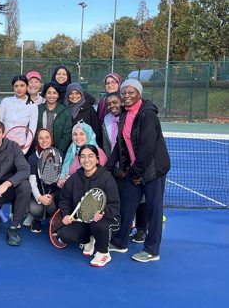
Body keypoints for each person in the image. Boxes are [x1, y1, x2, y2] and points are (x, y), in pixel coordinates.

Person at [108, 79, 170, 263]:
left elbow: (147, 147)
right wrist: (109, 166)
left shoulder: (148, 115)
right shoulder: (126, 114)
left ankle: (152, 250)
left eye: (131, 92)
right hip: (136, 169)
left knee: (154, 209)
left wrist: (136, 173)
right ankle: (120, 242)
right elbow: (122, 145)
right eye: (124, 92)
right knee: (127, 205)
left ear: (139, 94)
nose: (126, 96)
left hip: (153, 170)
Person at [56, 145, 120, 267]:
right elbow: (65, 199)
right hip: (84, 220)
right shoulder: (74, 178)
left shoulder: (107, 178)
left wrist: (103, 212)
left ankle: (103, 252)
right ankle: (89, 238)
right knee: (65, 235)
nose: (86, 160)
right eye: (83, 157)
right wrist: (66, 214)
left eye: (90, 156)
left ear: (97, 159)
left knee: (98, 225)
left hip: (108, 220)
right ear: (79, 159)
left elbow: (114, 205)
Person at [103, 92, 148, 244]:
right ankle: (123, 229)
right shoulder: (107, 120)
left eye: (115, 102)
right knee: (124, 200)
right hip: (117, 168)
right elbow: (110, 146)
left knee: (141, 200)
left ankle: (142, 229)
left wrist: (129, 167)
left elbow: (135, 145)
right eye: (109, 104)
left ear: (122, 102)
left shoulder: (131, 117)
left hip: (135, 167)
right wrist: (112, 167)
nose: (112, 106)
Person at [26, 128, 60, 233]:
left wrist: (52, 196)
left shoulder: (60, 155)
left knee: (52, 206)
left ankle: (54, 218)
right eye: (40, 138)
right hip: (39, 194)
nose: (44, 141)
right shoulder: (32, 159)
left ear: (51, 139)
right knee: (35, 209)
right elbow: (32, 183)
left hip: (53, 194)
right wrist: (40, 198)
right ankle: (37, 219)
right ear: (37, 140)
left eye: (47, 137)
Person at [58, 121, 107, 187]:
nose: (78, 137)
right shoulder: (72, 151)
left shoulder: (97, 153)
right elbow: (64, 173)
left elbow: (94, 178)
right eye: (75, 134)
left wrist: (71, 180)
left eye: (82, 134)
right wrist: (61, 179)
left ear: (88, 134)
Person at [0, 74, 38, 151]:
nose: (19, 88)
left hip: (20, 146)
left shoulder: (33, 106)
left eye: (22, 85)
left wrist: (24, 150)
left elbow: (32, 130)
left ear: (27, 87)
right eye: (16, 86)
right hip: (3, 145)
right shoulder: (5, 101)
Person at [37, 81, 72, 154]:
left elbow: (67, 133)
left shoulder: (64, 111)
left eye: (55, 93)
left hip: (58, 150)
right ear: (45, 94)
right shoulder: (38, 109)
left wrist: (60, 150)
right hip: (40, 149)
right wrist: (38, 147)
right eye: (49, 93)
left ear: (58, 95)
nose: (52, 96)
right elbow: (34, 131)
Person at [64, 83, 102, 147]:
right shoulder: (64, 110)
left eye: (77, 93)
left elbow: (96, 131)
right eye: (71, 93)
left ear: (81, 94)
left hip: (86, 149)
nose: (74, 96)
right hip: (68, 149)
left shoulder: (89, 110)